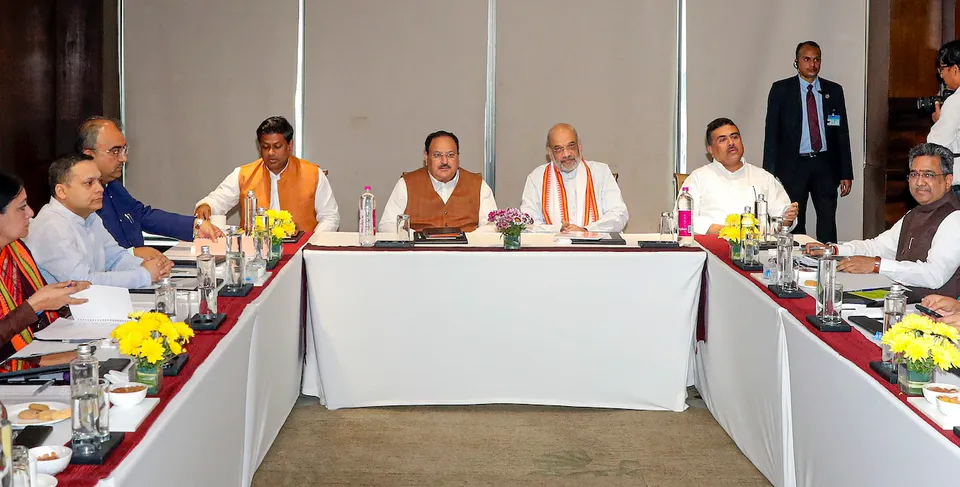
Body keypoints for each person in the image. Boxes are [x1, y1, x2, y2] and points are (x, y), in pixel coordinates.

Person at [804, 142, 960, 299]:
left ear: (948, 181)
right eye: (914, 174)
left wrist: (877, 265)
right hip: (902, 298)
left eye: (928, 175)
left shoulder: (954, 217)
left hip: (932, 309)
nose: (919, 182)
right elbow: (878, 247)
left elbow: (934, 275)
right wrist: (833, 250)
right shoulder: (914, 214)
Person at [76, 116, 223, 260]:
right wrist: (131, 254)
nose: (123, 159)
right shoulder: (76, 198)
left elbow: (142, 215)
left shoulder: (113, 186)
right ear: (89, 155)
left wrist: (195, 225)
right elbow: (86, 259)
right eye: (115, 151)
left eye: (124, 150)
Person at [26, 154, 172, 288]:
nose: (100, 189)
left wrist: (154, 267)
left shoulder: (90, 216)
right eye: (89, 183)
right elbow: (81, 283)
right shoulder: (52, 226)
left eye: (99, 181)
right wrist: (143, 275)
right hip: (67, 306)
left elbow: (116, 258)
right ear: (61, 191)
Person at [762, 41, 853, 244]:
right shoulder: (781, 90)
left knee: (827, 218)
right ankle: (797, 257)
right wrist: (769, 173)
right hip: (794, 165)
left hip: (825, 164)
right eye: (807, 59)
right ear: (796, 62)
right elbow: (771, 133)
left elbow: (842, 133)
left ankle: (828, 255)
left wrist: (846, 172)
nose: (812, 64)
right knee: (796, 219)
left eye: (816, 59)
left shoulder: (834, 91)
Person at [0, 171, 91, 360]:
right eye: (22, 207)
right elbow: (31, 306)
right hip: (11, 364)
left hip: (32, 352)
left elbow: (37, 305)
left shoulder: (15, 249)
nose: (30, 213)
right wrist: (35, 305)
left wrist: (64, 294)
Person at [195, 116, 340, 232]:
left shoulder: (313, 174)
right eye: (265, 147)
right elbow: (218, 200)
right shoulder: (243, 175)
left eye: (277, 146)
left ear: (289, 146)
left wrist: (311, 243)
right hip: (255, 253)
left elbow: (330, 217)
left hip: (300, 252)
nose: (271, 153)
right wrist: (207, 205)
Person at [683, 118, 799, 235]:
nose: (731, 143)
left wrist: (787, 220)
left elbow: (782, 219)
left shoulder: (763, 177)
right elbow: (682, 220)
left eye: (735, 137)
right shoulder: (698, 178)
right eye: (722, 140)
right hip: (711, 244)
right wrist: (727, 231)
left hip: (756, 244)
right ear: (710, 150)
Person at [379, 130, 497, 233]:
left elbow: (492, 226)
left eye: (450, 155)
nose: (444, 161)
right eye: (437, 155)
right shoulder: (406, 183)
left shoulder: (477, 184)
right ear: (426, 157)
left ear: (458, 156)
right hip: (419, 250)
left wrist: (469, 238)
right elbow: (387, 224)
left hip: (465, 250)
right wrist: (414, 237)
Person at [519, 123, 628, 233]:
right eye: (558, 149)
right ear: (550, 153)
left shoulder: (601, 172)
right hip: (553, 243)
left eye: (571, 146)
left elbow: (618, 214)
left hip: (595, 243)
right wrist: (558, 230)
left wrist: (586, 230)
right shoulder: (536, 178)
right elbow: (528, 223)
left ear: (579, 146)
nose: (566, 154)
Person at [927, 40, 960, 199]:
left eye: (942, 69)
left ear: (955, 69)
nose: (941, 76)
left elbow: (935, 145)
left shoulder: (956, 101)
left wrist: (940, 122)